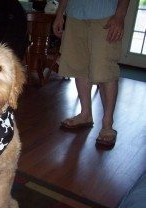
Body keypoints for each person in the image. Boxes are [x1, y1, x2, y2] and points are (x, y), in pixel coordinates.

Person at [53, 0, 130, 147]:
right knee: (78, 66)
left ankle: (107, 124)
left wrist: (119, 16)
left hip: (106, 15)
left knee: (105, 70)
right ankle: (85, 114)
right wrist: (60, 13)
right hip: (75, 13)